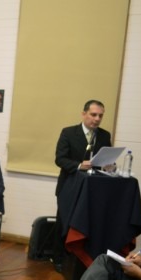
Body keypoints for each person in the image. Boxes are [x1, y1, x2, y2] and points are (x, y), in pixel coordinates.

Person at [53, 100, 113, 271]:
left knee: (86, 224)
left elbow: (105, 160)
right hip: (69, 187)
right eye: (93, 115)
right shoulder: (68, 132)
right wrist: (79, 165)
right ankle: (58, 258)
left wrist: (109, 165)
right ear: (84, 114)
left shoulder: (104, 135)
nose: (97, 119)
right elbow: (60, 159)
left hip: (93, 189)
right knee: (64, 223)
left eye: (100, 116)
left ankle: (81, 259)